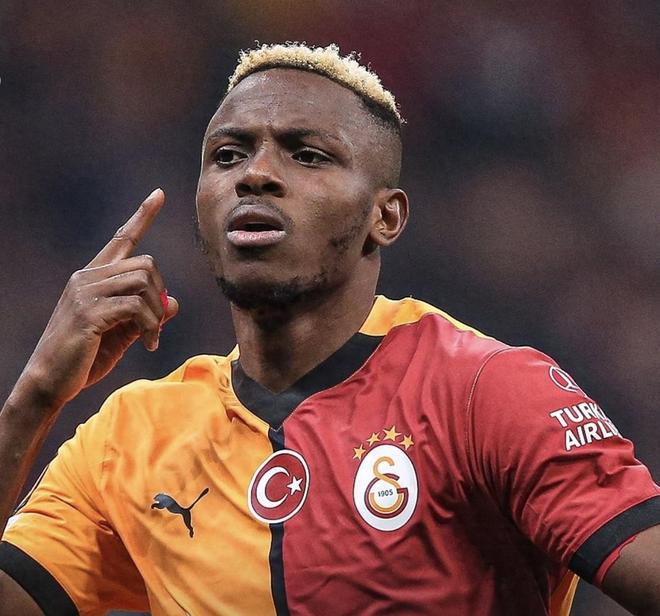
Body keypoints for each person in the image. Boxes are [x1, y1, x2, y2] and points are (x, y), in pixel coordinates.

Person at [0, 42, 658, 616]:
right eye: (227, 155)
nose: (256, 174)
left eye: (308, 156)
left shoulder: (482, 390)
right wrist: (34, 398)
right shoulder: (130, 439)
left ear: (385, 218)